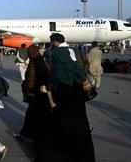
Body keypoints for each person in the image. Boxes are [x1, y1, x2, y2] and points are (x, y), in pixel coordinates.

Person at [37, 33, 95, 162]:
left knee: (59, 123)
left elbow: (56, 72)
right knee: (79, 121)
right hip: (77, 89)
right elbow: (78, 69)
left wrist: (49, 86)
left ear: (55, 42)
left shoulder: (58, 52)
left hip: (64, 89)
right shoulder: (71, 51)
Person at [13, 45, 51, 156]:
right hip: (36, 94)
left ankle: (33, 138)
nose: (28, 53)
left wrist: (40, 87)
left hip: (37, 94)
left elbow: (44, 75)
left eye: (29, 52)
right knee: (31, 114)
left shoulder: (38, 61)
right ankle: (25, 134)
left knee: (34, 115)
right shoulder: (37, 59)